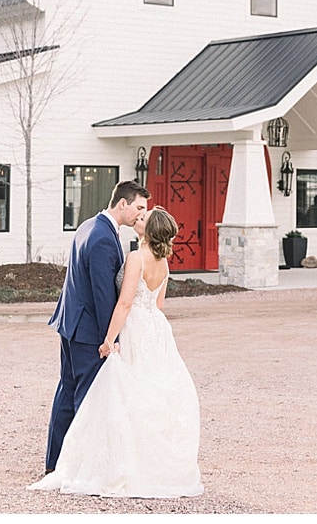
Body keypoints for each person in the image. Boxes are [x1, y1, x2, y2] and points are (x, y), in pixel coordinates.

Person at [30, 207, 203, 498]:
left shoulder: (136, 258)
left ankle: (117, 462)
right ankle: (148, 463)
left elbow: (124, 304)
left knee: (122, 393)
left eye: (144, 218)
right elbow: (158, 305)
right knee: (147, 395)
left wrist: (109, 339)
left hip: (134, 326)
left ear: (149, 231)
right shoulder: (164, 264)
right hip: (155, 331)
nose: (139, 218)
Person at [42, 180, 150, 475]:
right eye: (139, 207)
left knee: (67, 391)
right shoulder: (103, 237)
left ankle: (55, 463)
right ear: (123, 203)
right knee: (87, 398)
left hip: (70, 323)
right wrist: (109, 338)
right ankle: (76, 468)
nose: (141, 214)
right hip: (89, 330)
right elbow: (103, 293)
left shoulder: (89, 225)